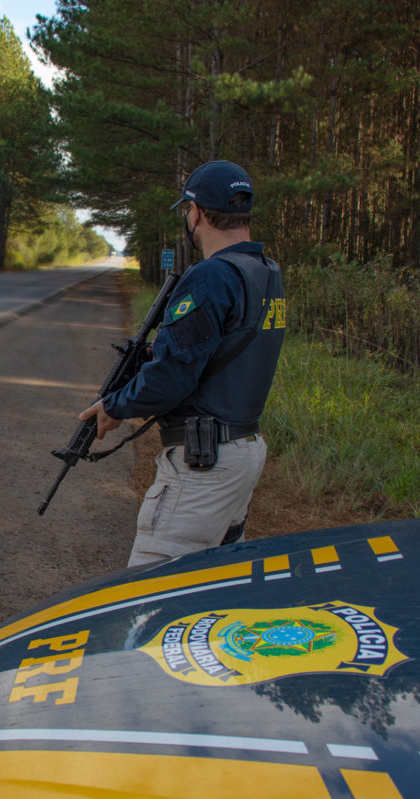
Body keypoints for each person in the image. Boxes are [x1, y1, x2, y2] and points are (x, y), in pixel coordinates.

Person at [80, 160, 285, 566]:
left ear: (196, 212)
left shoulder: (212, 277)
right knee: (213, 588)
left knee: (151, 592)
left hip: (205, 466)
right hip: (242, 450)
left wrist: (114, 406)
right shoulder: (266, 272)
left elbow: (170, 378)